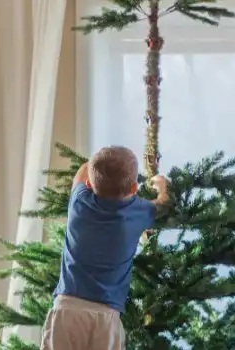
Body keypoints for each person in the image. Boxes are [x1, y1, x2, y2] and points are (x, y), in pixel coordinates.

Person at [40, 146, 169, 350]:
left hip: (67, 308)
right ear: (134, 189)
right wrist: (161, 186)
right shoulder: (138, 211)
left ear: (90, 183)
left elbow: (82, 172)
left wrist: (98, 166)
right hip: (106, 315)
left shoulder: (80, 202)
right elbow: (162, 205)